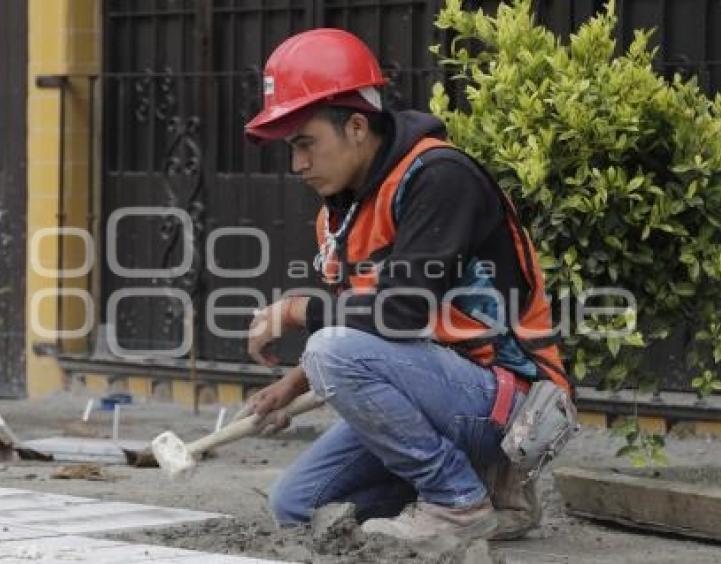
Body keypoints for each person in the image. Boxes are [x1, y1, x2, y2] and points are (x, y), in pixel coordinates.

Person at [240, 28, 571, 548]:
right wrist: (294, 385)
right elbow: (363, 322)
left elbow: (398, 314)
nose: (297, 164)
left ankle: (458, 503)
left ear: (354, 126)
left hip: (512, 404)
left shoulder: (439, 177)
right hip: (438, 392)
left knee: (330, 350)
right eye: (291, 149)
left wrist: (295, 310)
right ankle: (489, 494)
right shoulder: (340, 214)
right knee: (295, 506)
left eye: (305, 144)